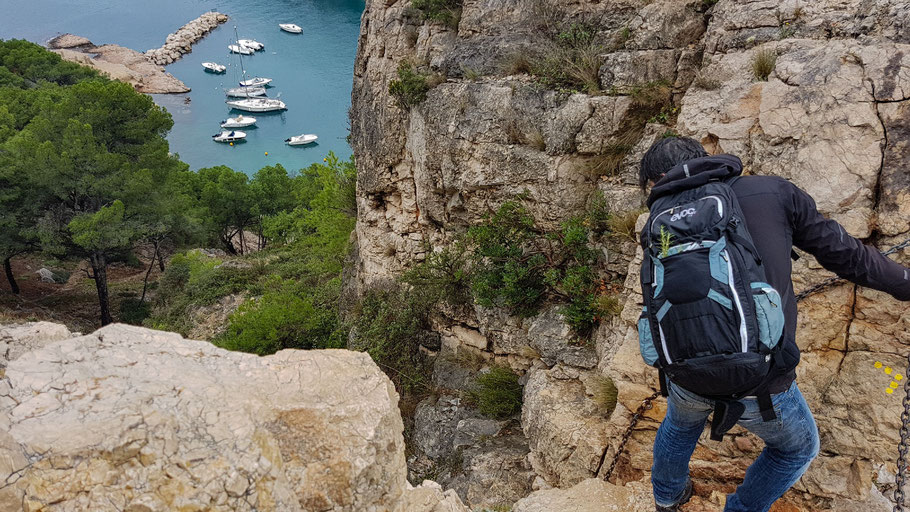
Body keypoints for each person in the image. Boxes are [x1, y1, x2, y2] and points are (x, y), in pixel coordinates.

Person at [638, 136, 910, 512]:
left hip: (683, 371)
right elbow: (847, 255)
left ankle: (667, 496)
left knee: (681, 422)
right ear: (704, 159)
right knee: (797, 448)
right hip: (760, 378)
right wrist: (905, 284)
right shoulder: (772, 191)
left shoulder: (659, 221)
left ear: (655, 180)